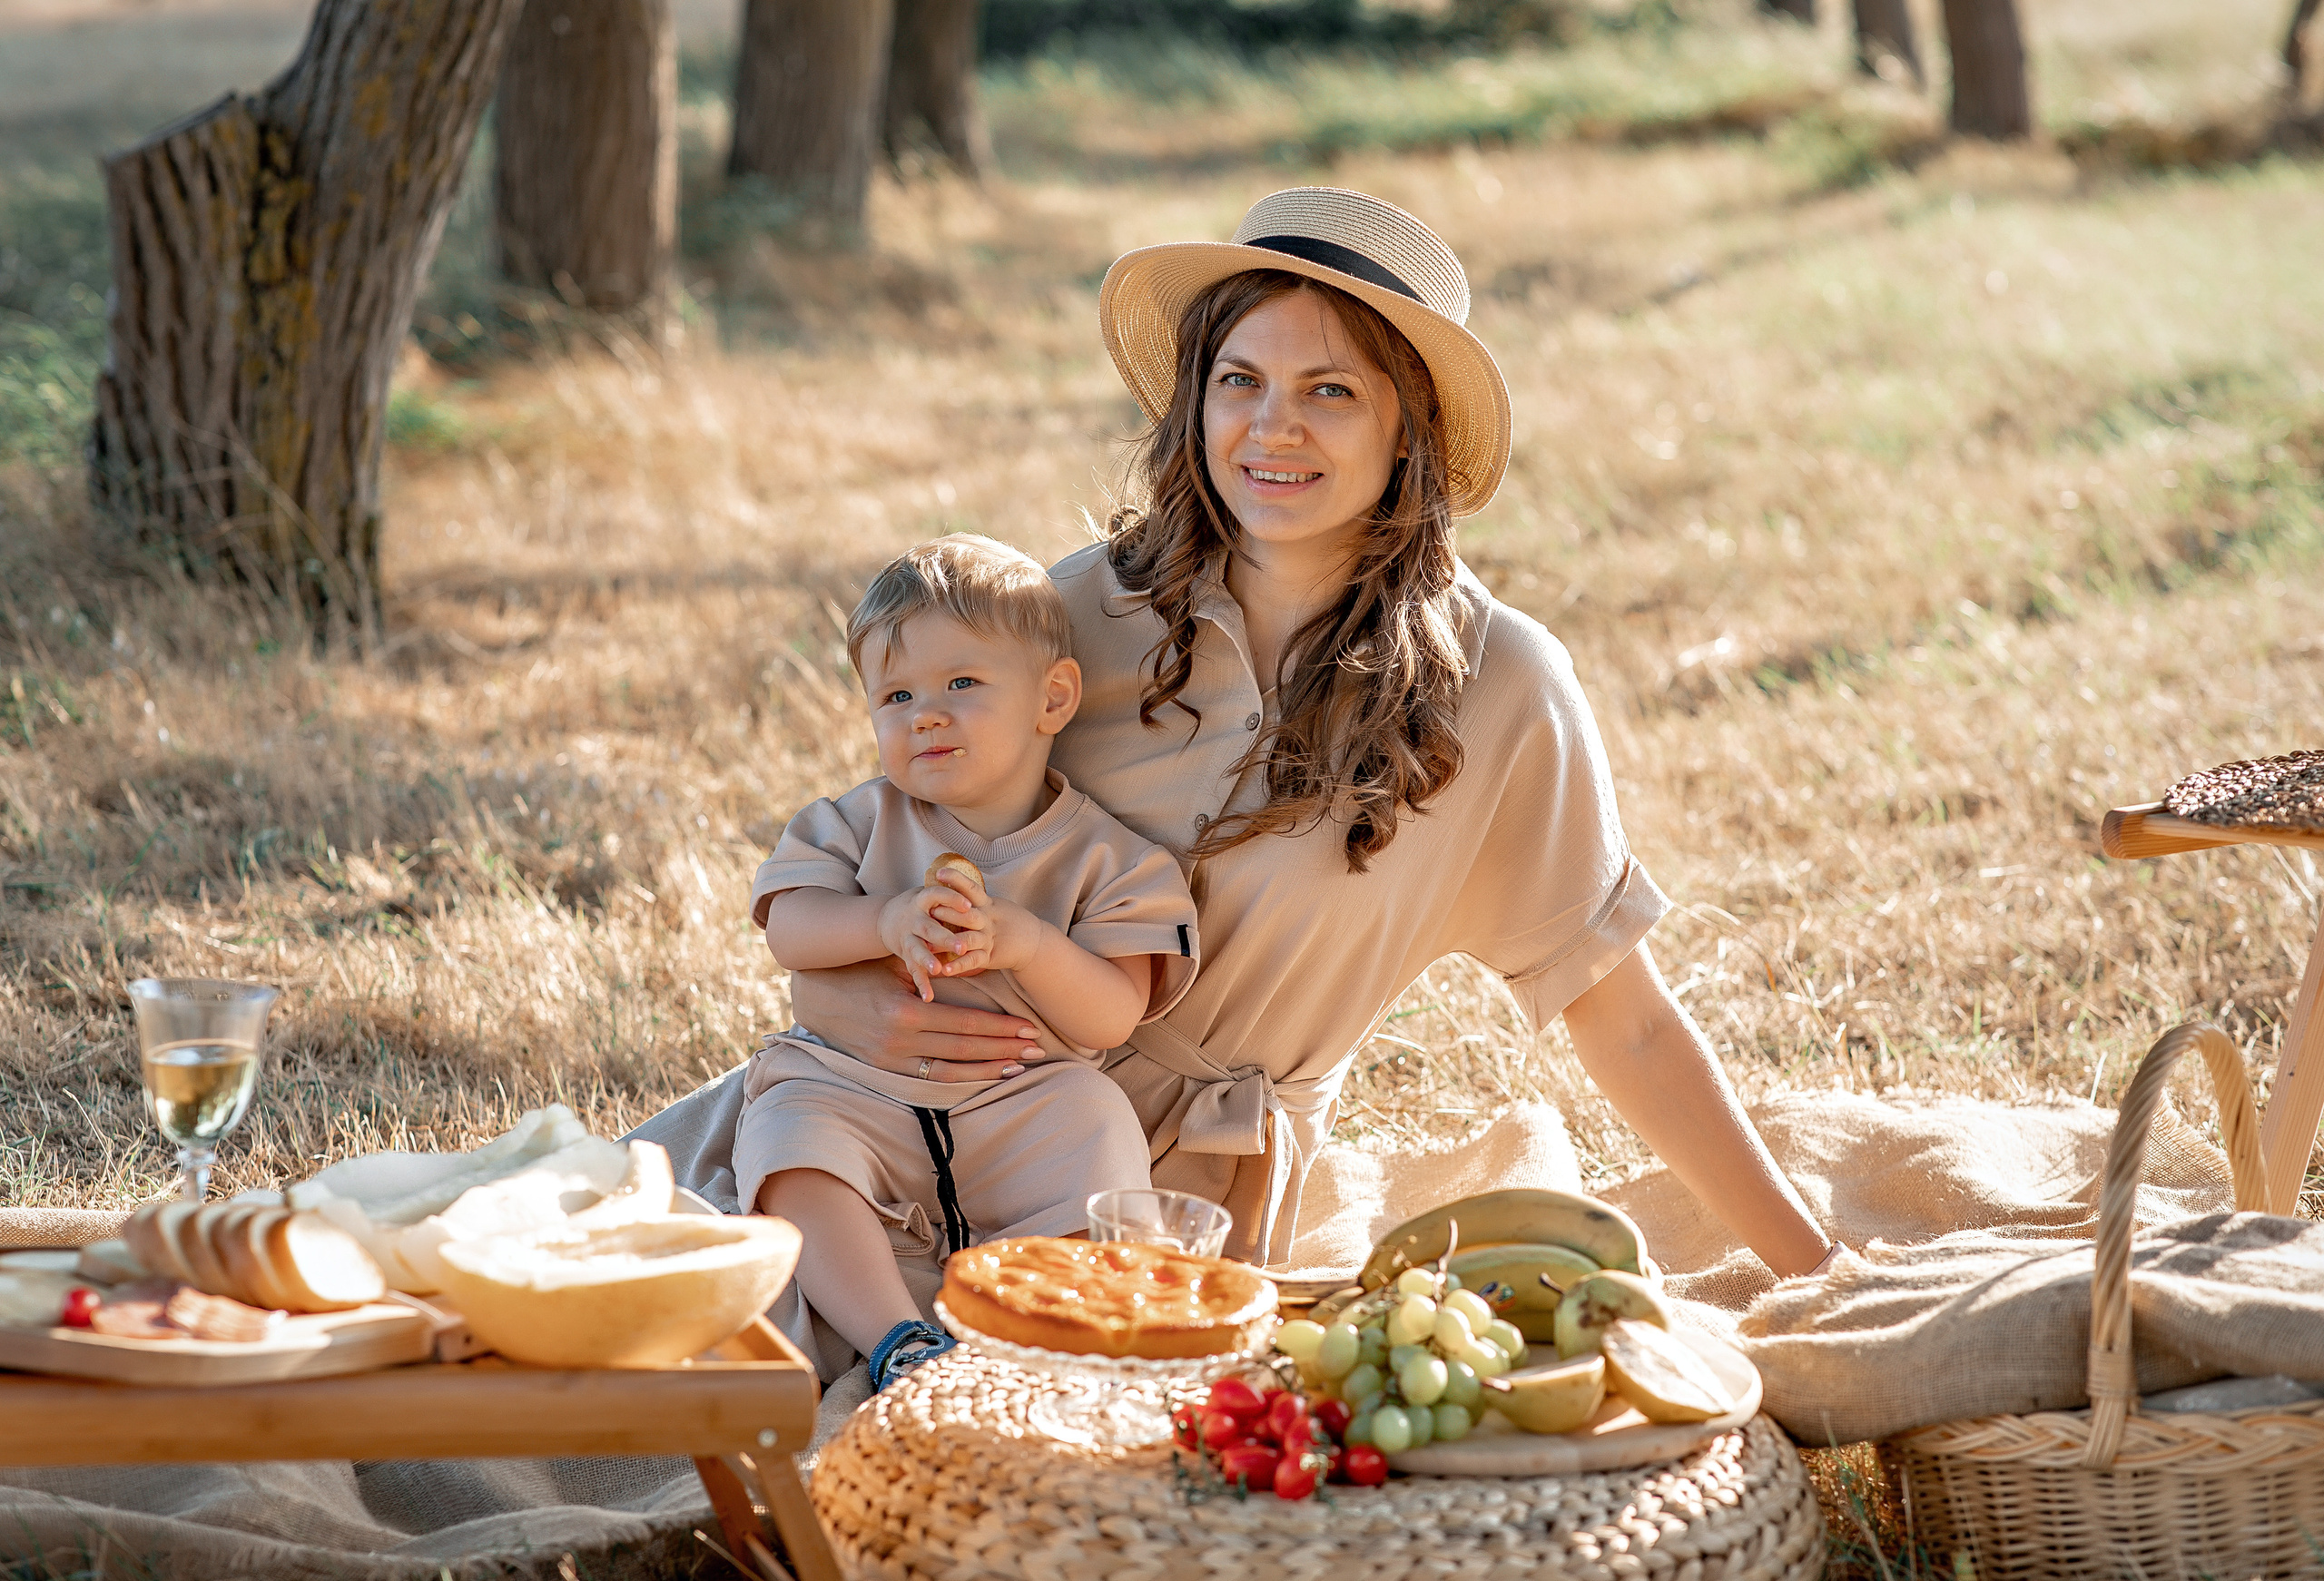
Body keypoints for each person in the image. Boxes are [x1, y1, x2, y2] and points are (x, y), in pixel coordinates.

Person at [632, 187, 1835, 1343]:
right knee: (577, 1313)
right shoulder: (1069, 615)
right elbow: (898, 857)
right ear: (1194, 401)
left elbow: (1622, 1018)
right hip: (890, 1113)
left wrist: (1818, 1271)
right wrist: (849, 1006)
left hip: (1153, 1204)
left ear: (1408, 422)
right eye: (1240, 381)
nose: (1274, 428)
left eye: (1330, 390)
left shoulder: (1502, 685)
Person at [738, 535, 1200, 1388]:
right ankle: (896, 1339)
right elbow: (790, 933)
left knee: (1096, 1119)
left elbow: (1110, 1016)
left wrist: (1026, 942)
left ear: (1053, 698)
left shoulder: (1111, 860)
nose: (927, 714)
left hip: (1019, 1099)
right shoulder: (856, 823)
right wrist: (885, 918)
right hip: (858, 1090)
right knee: (785, 1137)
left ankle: (1044, 1328)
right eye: (896, 695)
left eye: (962, 684)